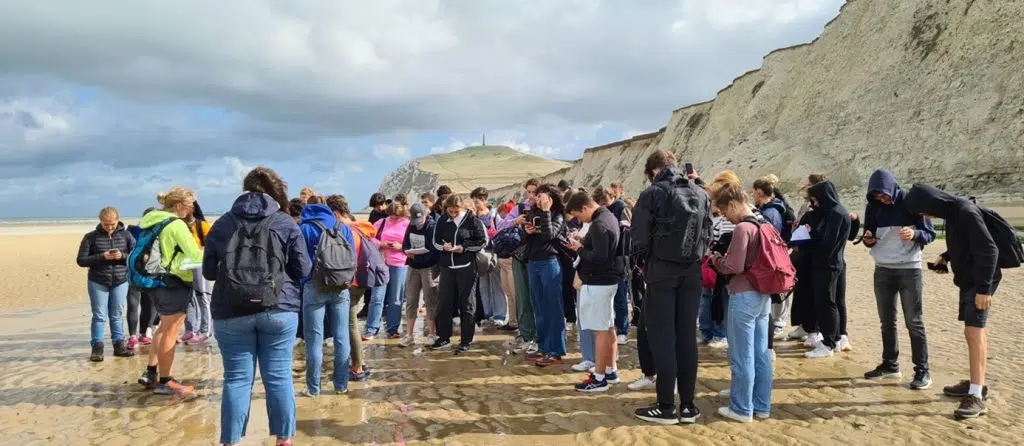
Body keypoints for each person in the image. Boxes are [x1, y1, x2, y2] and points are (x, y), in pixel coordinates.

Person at [204, 167, 310, 446]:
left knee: (237, 380)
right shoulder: (285, 222)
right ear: (276, 192)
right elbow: (303, 268)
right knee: (278, 377)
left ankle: (230, 441)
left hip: (230, 310)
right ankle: (283, 440)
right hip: (279, 307)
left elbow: (209, 273)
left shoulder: (223, 224)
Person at [904, 184, 1000, 420]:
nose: (926, 217)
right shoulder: (954, 212)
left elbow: (989, 250)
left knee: (974, 332)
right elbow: (967, 243)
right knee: (973, 332)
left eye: (925, 212)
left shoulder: (965, 211)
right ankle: (976, 383)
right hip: (970, 280)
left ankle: (977, 396)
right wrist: (946, 256)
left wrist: (984, 289)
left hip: (980, 281)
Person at [630, 149, 711, 425]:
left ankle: (665, 406)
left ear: (654, 171)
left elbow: (638, 238)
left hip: (662, 272)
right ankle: (688, 406)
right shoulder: (700, 192)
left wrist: (645, 263)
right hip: (691, 273)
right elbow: (707, 234)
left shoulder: (653, 193)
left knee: (663, 339)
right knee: (687, 338)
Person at [860, 169, 935, 390]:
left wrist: (915, 235)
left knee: (914, 321)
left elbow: (929, 234)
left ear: (893, 188)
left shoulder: (911, 202)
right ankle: (890, 365)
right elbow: (869, 236)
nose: (882, 200)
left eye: (884, 195)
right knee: (887, 321)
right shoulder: (873, 207)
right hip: (882, 269)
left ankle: (922, 371)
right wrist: (868, 239)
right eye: (877, 197)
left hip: (910, 270)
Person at [708, 171, 774, 423]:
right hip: (763, 293)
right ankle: (761, 405)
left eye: (725, 212)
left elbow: (733, 266)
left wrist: (715, 259)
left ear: (734, 204)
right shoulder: (763, 223)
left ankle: (741, 408)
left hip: (743, 294)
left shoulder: (743, 228)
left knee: (741, 355)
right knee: (761, 353)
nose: (725, 217)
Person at [136, 187, 204, 396]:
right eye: (190, 205)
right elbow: (194, 256)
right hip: (173, 282)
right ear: (179, 206)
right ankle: (166, 381)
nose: (192, 209)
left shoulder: (152, 220)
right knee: (171, 331)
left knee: (163, 328)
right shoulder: (176, 224)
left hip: (154, 280)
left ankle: (151, 371)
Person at [565, 192, 623, 392]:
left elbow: (598, 257)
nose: (578, 220)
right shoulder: (608, 217)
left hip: (598, 282)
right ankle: (610, 370)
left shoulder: (599, 224)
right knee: (608, 327)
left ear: (584, 208)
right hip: (606, 281)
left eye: (578, 216)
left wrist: (579, 249)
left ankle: (599, 378)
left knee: (600, 331)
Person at [298, 194, 355, 396]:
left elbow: (297, 259)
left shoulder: (303, 228)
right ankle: (341, 385)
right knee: (342, 337)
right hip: (341, 286)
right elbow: (352, 258)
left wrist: (303, 281)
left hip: (314, 286)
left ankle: (313, 388)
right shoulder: (342, 227)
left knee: (314, 339)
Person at [77, 206, 136, 361]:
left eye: (112, 224)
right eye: (106, 224)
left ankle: (119, 346)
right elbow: (81, 260)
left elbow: (136, 256)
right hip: (98, 280)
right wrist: (102, 257)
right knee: (99, 316)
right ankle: (97, 347)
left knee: (116, 314)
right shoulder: (90, 237)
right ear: (100, 221)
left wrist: (122, 256)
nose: (109, 227)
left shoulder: (127, 235)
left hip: (120, 280)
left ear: (118, 220)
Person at [519, 184, 568, 367]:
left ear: (551, 198)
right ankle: (544, 347)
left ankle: (556, 351)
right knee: (538, 307)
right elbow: (527, 240)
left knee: (553, 308)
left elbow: (550, 235)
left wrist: (546, 212)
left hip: (550, 263)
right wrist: (526, 231)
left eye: (542, 196)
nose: (538, 199)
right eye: (537, 196)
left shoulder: (557, 215)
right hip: (533, 263)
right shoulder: (533, 213)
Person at [430, 194, 487, 351]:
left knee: (467, 304)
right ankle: (443, 337)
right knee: (444, 303)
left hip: (467, 267)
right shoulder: (442, 220)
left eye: (456, 211)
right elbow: (435, 241)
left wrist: (465, 248)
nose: (453, 214)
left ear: (462, 207)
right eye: (450, 211)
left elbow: (482, 241)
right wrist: (444, 247)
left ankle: (466, 340)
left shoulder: (472, 220)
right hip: (447, 267)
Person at [802, 180, 852, 359]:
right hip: (827, 263)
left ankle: (829, 342)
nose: (814, 203)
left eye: (816, 199)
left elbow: (827, 244)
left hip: (829, 264)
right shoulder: (831, 213)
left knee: (826, 303)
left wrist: (804, 246)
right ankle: (835, 338)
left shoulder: (836, 214)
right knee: (828, 302)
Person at [327, 194, 372, 381]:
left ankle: (356, 367)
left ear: (336, 213)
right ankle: (359, 362)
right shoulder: (359, 228)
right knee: (351, 324)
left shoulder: (346, 231)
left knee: (350, 325)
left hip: (350, 283)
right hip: (361, 281)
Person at [502, 178, 541, 353]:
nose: (531, 195)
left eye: (535, 192)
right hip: (519, 255)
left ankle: (539, 336)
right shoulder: (519, 208)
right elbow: (501, 226)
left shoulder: (545, 208)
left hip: (539, 256)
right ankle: (526, 334)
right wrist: (515, 221)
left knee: (538, 298)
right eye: (529, 192)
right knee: (522, 296)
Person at [365, 200, 411, 339]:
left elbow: (413, 243)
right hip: (381, 263)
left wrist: (401, 247)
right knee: (377, 297)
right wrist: (382, 244)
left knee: (395, 298)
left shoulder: (408, 224)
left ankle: (392, 329)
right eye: (391, 215)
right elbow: (369, 238)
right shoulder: (382, 222)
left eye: (396, 216)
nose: (393, 218)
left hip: (400, 264)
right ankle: (371, 329)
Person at [399, 202, 440, 347]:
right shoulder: (411, 225)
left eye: (419, 220)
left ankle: (432, 333)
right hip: (412, 267)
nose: (417, 224)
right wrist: (407, 252)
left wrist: (418, 257)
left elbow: (435, 252)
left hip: (428, 268)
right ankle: (409, 335)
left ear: (426, 214)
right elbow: (405, 244)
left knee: (430, 300)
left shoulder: (432, 227)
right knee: (411, 300)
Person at [595, 187, 632, 345]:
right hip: (604, 258)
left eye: (605, 202)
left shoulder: (621, 208)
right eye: (600, 204)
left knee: (620, 296)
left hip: (618, 259)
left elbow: (626, 235)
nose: (603, 206)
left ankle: (623, 330)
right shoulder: (600, 211)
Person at [471, 187, 507, 326]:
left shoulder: (493, 215)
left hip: (493, 253)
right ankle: (487, 313)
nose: (476, 204)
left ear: (485, 200)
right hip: (479, 255)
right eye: (474, 201)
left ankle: (500, 315)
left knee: (496, 283)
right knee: (483, 285)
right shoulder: (473, 216)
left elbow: (499, 232)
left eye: (478, 201)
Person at [127, 207, 159, 347]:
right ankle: (132, 335)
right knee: (133, 304)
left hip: (151, 273)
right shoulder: (132, 230)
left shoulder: (159, 232)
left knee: (149, 304)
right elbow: (127, 249)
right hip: (133, 273)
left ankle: (145, 332)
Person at [183, 199, 213, 345]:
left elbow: (212, 244)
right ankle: (190, 330)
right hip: (184, 265)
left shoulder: (202, 225)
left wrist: (202, 250)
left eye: (186, 207)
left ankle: (205, 331)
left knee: (203, 296)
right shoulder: (178, 225)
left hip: (200, 264)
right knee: (187, 297)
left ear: (192, 208)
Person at [494, 201, 519, 332]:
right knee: (508, 293)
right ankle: (513, 321)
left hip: (510, 261)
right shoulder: (505, 223)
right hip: (503, 261)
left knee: (515, 294)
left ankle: (519, 322)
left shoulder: (516, 224)